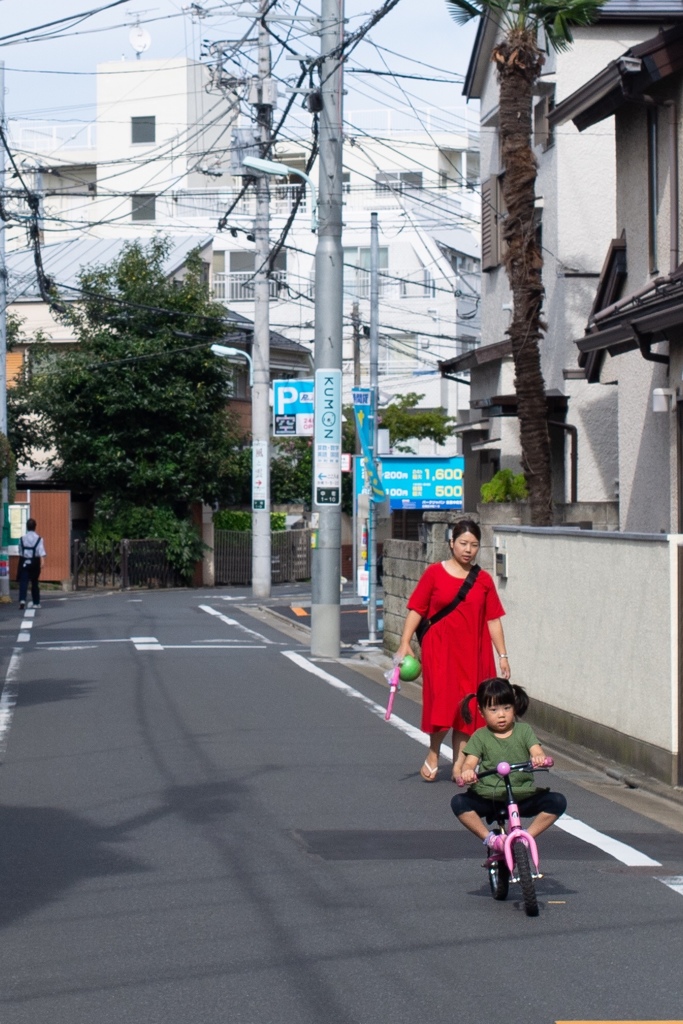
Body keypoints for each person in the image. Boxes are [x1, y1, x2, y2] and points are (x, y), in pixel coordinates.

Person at [396, 518, 509, 783]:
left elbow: (493, 619)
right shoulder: (435, 573)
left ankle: (460, 765)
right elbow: (417, 609)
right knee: (442, 705)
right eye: (463, 543)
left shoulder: (483, 580)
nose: (468, 549)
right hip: (440, 652)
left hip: (473, 652)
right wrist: (404, 642)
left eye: (474, 545)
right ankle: (434, 752)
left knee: (469, 708)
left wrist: (503, 655)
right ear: (451, 544)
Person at [451, 678, 566, 850]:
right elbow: (469, 763)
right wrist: (467, 772)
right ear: (481, 712)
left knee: (557, 801)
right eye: (494, 710)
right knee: (459, 803)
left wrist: (539, 758)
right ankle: (489, 839)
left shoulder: (524, 731)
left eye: (507, 708)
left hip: (522, 795)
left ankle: (525, 838)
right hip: (489, 796)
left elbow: (537, 751)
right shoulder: (480, 736)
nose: (502, 714)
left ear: (514, 707)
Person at [17, 518, 46, 611]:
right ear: (35, 527)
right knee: (34, 582)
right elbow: (41, 552)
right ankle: (36, 603)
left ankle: (22, 600)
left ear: (27, 527)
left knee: (23, 582)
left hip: (24, 561)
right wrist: (42, 562)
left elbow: (20, 552)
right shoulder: (39, 539)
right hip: (35, 562)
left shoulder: (22, 539)